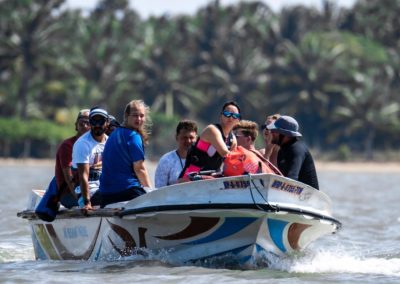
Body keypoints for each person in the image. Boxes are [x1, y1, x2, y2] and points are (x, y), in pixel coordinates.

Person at [95, 99, 152, 207]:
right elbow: (139, 169)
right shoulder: (133, 136)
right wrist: (151, 193)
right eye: (135, 115)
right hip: (127, 192)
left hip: (105, 195)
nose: (139, 119)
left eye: (142, 116)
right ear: (126, 115)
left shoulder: (114, 134)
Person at [179, 101, 240, 180]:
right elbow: (225, 153)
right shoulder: (212, 130)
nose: (231, 118)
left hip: (210, 180)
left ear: (238, 120)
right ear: (221, 116)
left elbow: (231, 163)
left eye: (235, 115)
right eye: (227, 114)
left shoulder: (233, 139)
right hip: (189, 179)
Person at [267, 115, 319, 189]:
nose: (271, 132)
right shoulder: (281, 151)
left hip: (307, 197)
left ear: (285, 135)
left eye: (275, 130)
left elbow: (292, 178)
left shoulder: (297, 149)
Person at [72, 107, 109, 209]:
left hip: (104, 188)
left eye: (100, 121)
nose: (97, 125)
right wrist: (87, 202)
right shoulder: (82, 144)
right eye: (93, 121)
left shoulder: (110, 142)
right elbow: (83, 176)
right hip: (86, 193)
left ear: (107, 123)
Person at [56, 109, 91, 208]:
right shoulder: (67, 146)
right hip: (68, 194)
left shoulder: (94, 145)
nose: (85, 126)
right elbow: (69, 178)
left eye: (88, 123)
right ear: (76, 125)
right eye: (81, 123)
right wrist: (81, 200)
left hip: (89, 190)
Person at [155, 120, 198, 187]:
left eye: (191, 137)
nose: (188, 141)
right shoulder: (166, 160)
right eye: (184, 137)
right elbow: (159, 188)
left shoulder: (201, 159)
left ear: (196, 138)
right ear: (176, 137)